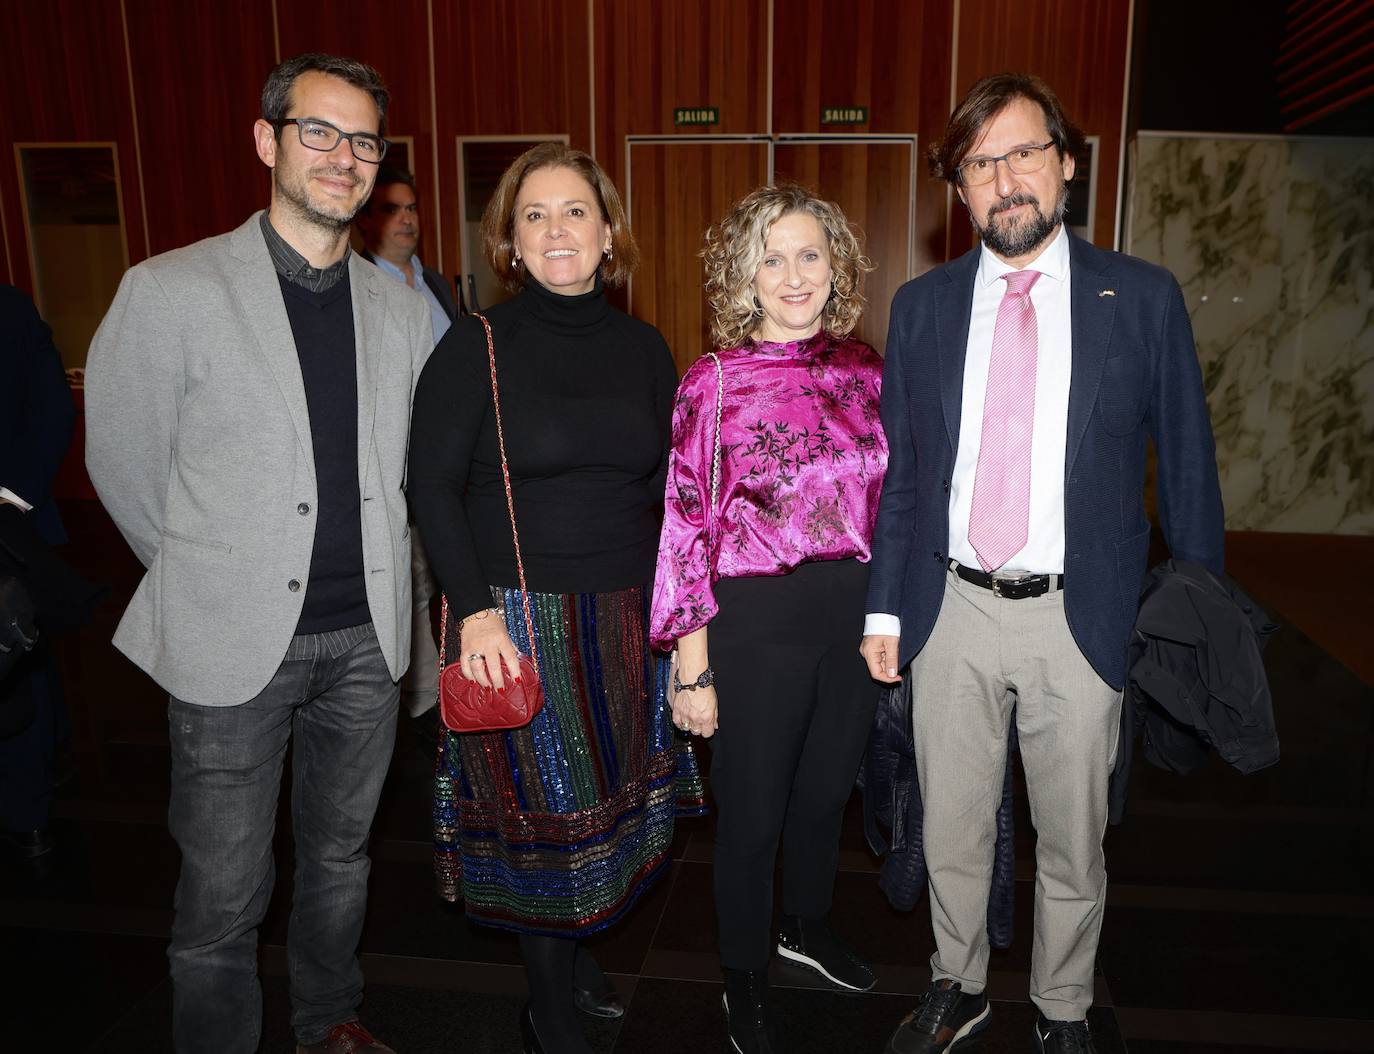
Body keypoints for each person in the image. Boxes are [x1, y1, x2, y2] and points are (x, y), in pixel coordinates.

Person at [860, 73, 1224, 1054]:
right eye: (981, 164)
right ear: (959, 189)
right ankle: (958, 980)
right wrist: (886, 610)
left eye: (1023, 152)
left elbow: (1188, 462)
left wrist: (1201, 612)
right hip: (951, 609)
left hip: (1082, 614)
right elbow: (902, 474)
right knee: (951, 827)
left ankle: (1062, 1006)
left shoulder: (1140, 298)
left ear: (1065, 163)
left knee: (1073, 837)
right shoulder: (923, 307)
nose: (1005, 179)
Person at [85, 53, 432, 1054]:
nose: (342, 156)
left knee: (341, 862)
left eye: (363, 140)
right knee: (223, 894)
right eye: (318, 131)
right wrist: (210, 572)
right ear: (266, 140)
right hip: (231, 644)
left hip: (367, 643)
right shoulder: (169, 290)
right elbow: (124, 463)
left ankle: (328, 1023)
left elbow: (412, 478)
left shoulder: (402, 309)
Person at [407, 141, 703, 1054]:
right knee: (544, 817)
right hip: (516, 619)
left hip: (626, 620)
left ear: (608, 232)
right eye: (533, 215)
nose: (556, 229)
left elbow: (673, 490)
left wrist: (684, 620)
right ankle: (549, 1010)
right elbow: (431, 487)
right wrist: (474, 613)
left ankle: (572, 964)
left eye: (575, 210)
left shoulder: (645, 347)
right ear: (511, 242)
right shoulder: (476, 344)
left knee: (603, 803)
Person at [649, 183, 887, 1054]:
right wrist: (692, 668)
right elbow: (685, 525)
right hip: (754, 622)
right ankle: (743, 970)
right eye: (772, 259)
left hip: (853, 617)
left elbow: (896, 501)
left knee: (826, 795)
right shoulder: (713, 382)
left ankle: (805, 924)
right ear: (744, 276)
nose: (793, 276)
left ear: (836, 266)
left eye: (809, 255)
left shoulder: (867, 371)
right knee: (752, 815)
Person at [356, 165, 453, 718]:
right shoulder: (359, 288)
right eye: (392, 209)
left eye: (412, 208)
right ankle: (418, 705)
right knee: (409, 583)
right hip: (397, 466)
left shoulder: (433, 283)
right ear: (366, 220)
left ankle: (445, 692)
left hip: (450, 463)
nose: (407, 220)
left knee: (442, 581)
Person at [0, 284, 77, 861]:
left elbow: (53, 408)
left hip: (9, 530)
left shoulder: (8, 307)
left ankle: (28, 813)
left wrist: (11, 500)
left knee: (16, 660)